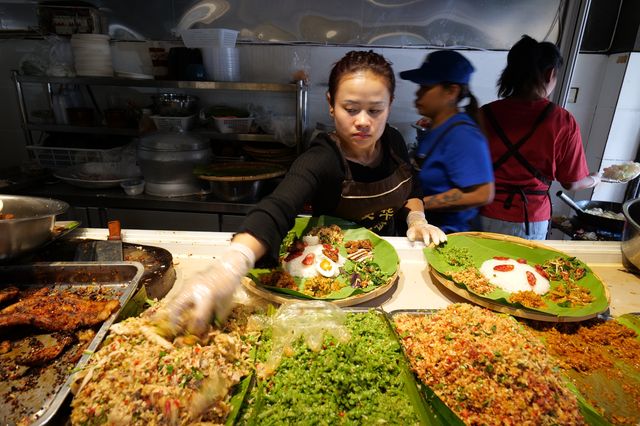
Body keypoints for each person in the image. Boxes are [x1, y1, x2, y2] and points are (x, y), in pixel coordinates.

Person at [156, 50, 446, 336]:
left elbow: (412, 186)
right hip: (333, 284)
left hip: (388, 273)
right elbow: (278, 207)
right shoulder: (322, 158)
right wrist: (230, 267)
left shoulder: (393, 140)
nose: (363, 121)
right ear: (331, 104)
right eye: (351, 108)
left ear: (390, 105)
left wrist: (417, 218)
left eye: (375, 110)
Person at [478, 35, 599, 240]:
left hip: (483, 211)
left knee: (478, 269)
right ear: (550, 73)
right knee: (525, 271)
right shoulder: (562, 121)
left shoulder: (484, 114)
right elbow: (572, 183)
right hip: (530, 219)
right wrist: (595, 179)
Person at [399, 50, 494, 233]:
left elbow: (483, 193)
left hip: (452, 235)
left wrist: (418, 205)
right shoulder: (437, 128)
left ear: (451, 91)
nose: (417, 94)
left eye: (425, 87)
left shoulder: (462, 135)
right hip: (430, 231)